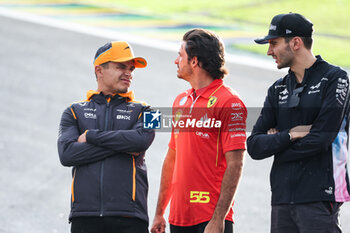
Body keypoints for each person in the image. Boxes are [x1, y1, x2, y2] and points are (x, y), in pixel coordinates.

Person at [247, 13, 350, 233]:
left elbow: (321, 139)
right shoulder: (277, 88)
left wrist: (276, 144)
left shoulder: (335, 78)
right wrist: (289, 135)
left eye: (274, 43)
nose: (269, 51)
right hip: (282, 197)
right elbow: (254, 146)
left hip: (320, 195)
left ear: (296, 43)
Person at [151, 28, 247, 233]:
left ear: (194, 61)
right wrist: (160, 212)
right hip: (178, 218)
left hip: (210, 217)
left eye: (180, 55)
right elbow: (172, 158)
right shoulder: (180, 101)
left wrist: (218, 218)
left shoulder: (229, 102)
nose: (176, 61)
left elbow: (236, 163)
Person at [57, 41, 155, 233]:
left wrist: (91, 136)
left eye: (131, 68)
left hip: (132, 218)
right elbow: (67, 155)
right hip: (84, 217)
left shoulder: (151, 111)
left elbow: (142, 141)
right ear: (99, 70)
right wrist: (124, 144)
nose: (129, 73)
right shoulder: (72, 111)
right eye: (121, 66)